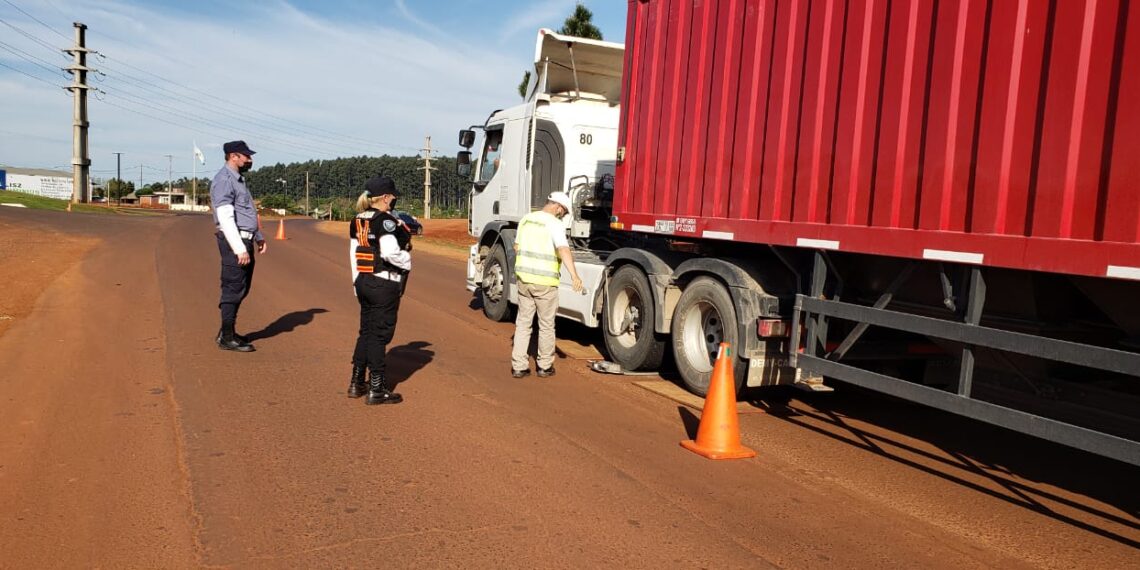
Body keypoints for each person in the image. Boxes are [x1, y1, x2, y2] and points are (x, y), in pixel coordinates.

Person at [347, 175, 412, 405]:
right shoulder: (384, 221)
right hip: (383, 283)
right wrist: (407, 260)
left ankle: (356, 381)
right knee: (378, 335)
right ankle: (377, 388)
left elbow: (354, 254)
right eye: (393, 196)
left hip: (364, 280)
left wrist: (357, 283)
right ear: (385, 198)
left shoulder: (357, 220)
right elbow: (389, 253)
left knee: (365, 331)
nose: (394, 200)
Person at [510, 191, 584, 378]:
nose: (562, 215)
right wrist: (574, 275)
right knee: (546, 325)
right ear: (558, 207)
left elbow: (517, 247)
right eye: (563, 212)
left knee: (523, 324)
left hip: (524, 280)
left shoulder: (526, 219)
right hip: (545, 283)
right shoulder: (554, 224)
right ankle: (544, 366)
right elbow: (563, 249)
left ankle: (519, 366)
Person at [210, 140, 265, 352]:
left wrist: (258, 236)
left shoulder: (238, 180)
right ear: (234, 156)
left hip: (245, 238)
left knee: (242, 287)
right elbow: (225, 216)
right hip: (235, 241)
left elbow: (246, 212)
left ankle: (227, 332)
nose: (249, 159)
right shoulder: (224, 180)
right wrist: (239, 248)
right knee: (233, 287)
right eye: (246, 156)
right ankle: (227, 336)